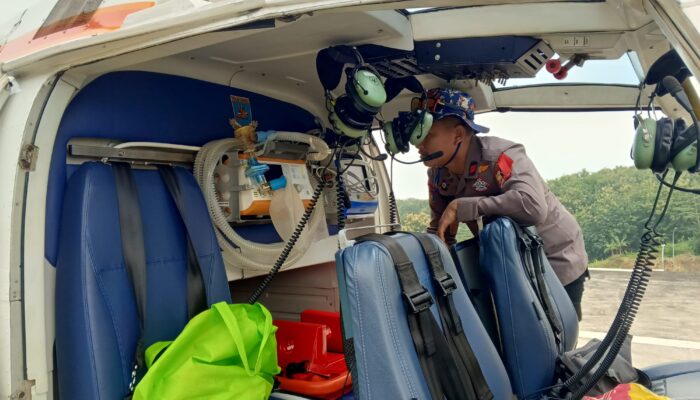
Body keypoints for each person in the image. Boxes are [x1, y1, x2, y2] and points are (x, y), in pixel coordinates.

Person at [418, 88, 588, 320]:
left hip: (556, 259)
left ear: (458, 134)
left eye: (428, 133)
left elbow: (532, 206)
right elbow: (440, 230)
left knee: (557, 338)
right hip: (509, 265)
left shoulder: (501, 156)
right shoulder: (438, 174)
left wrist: (465, 206)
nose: (420, 141)